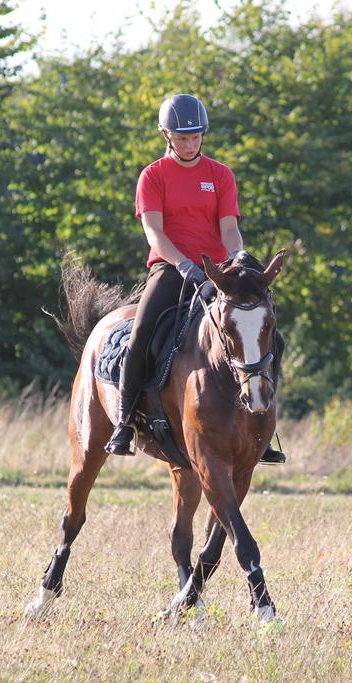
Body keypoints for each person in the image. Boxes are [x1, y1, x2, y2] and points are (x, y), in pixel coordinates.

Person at [105, 93, 285, 464]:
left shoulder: (220, 175)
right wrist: (183, 263)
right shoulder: (153, 176)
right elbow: (154, 232)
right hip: (171, 268)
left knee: (273, 338)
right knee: (140, 333)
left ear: (203, 134)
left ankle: (261, 426)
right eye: (181, 137)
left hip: (220, 273)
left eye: (195, 136)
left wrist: (237, 260)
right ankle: (124, 422)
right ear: (166, 135)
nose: (189, 143)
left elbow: (229, 229)